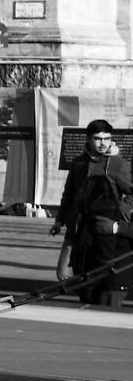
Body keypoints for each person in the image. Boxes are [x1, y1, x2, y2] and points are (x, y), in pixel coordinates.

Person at [54, 119, 131, 306]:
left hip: (106, 230)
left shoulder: (118, 164)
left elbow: (131, 192)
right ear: (88, 139)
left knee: (104, 283)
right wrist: (60, 220)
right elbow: (69, 193)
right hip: (81, 228)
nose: (103, 143)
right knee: (83, 282)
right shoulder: (79, 163)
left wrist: (122, 209)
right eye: (98, 139)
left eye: (107, 139)